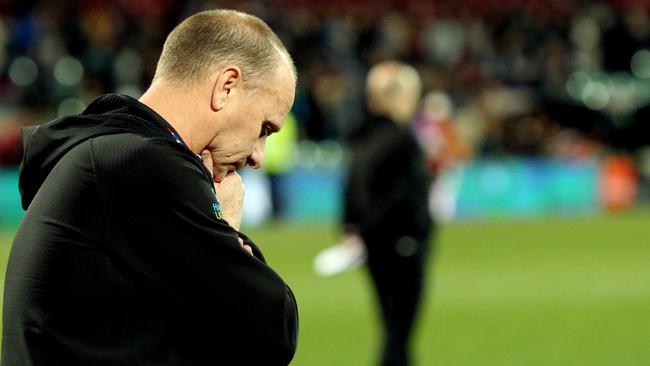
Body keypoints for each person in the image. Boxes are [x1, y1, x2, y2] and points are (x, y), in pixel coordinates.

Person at [2, 9, 298, 366]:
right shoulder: (142, 165)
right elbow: (270, 331)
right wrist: (225, 228)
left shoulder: (103, 155)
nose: (258, 157)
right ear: (226, 87)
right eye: (265, 128)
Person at [340, 61, 433, 366]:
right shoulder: (401, 141)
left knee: (392, 328)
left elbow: (353, 188)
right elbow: (402, 198)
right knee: (399, 332)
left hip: (376, 245)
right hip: (403, 242)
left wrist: (356, 227)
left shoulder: (362, 136)